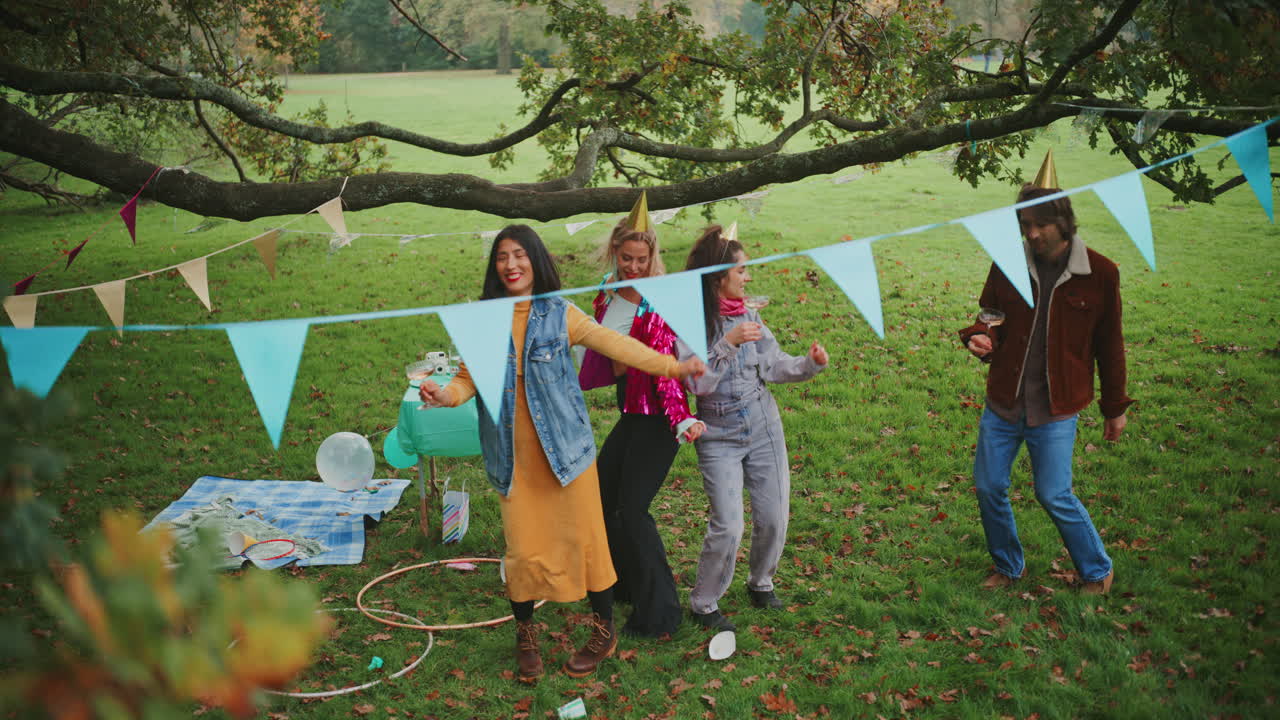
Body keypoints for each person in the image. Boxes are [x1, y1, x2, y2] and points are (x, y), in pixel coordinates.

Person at [418, 224, 705, 682]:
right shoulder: (484, 320)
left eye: (519, 255)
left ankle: (603, 631)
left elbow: (615, 344)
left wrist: (672, 365)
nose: (511, 264)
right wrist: (443, 395)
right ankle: (526, 636)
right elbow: (466, 380)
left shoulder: (559, 313)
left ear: (535, 260)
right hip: (514, 460)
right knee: (522, 552)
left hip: (568, 455)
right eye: (502, 257)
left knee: (588, 543)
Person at [957, 151, 1134, 596]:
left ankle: (1098, 570)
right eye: (1025, 225)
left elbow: (1110, 345)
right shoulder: (1008, 262)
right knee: (988, 487)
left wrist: (1114, 407)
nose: (1032, 234)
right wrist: (981, 337)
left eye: (1041, 224)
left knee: (1054, 493)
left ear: (1064, 221)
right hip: (1004, 399)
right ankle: (1008, 566)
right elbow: (989, 315)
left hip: (1056, 407)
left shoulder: (1100, 273)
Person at [679, 223, 829, 632]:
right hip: (717, 435)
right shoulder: (691, 321)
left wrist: (810, 364)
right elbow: (696, 385)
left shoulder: (750, 314)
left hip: (763, 426)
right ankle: (704, 603)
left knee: (774, 516)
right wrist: (727, 343)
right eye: (741, 270)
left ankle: (761, 582)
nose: (747, 277)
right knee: (729, 526)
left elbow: (774, 365)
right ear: (718, 277)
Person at [578, 193, 705, 638]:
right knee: (601, 499)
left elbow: (667, 371)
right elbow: (604, 355)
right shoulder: (607, 293)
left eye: (641, 259)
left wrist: (681, 419)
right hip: (631, 412)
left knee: (632, 511)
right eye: (626, 258)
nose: (633, 267)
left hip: (659, 417)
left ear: (653, 258)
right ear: (615, 252)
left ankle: (661, 613)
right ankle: (623, 586)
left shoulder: (658, 301)